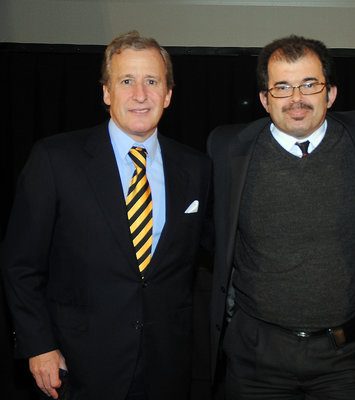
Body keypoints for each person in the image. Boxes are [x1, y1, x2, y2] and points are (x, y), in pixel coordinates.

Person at [1, 31, 212, 400]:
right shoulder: (55, 160)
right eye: (126, 81)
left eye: (152, 81)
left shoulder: (196, 168)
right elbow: (20, 264)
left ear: (168, 94)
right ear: (106, 92)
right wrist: (39, 345)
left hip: (167, 366)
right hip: (78, 365)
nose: (140, 94)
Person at [207, 35, 355, 399]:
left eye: (310, 84)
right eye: (282, 87)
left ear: (331, 93)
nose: (296, 98)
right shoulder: (228, 150)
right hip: (256, 361)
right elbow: (210, 239)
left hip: (348, 359)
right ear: (265, 99)